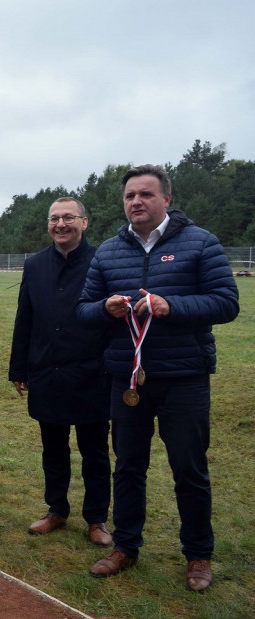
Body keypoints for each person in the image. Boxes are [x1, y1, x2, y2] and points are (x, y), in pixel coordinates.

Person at [77, 164, 239, 592]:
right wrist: (103, 310)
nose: (137, 202)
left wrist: (173, 307)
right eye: (130, 196)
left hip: (183, 377)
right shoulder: (109, 251)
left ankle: (198, 555)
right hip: (127, 379)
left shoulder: (200, 242)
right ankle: (126, 546)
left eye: (146, 195)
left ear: (167, 199)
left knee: (189, 469)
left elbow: (226, 303)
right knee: (128, 467)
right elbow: (84, 310)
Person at [8, 198, 112, 545]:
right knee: (53, 448)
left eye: (68, 217)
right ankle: (56, 509)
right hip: (46, 371)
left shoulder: (103, 260)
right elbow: (26, 317)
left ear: (84, 222)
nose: (61, 224)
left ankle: (97, 519)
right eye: (54, 218)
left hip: (92, 372)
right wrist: (18, 368)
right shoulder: (35, 264)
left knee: (94, 450)